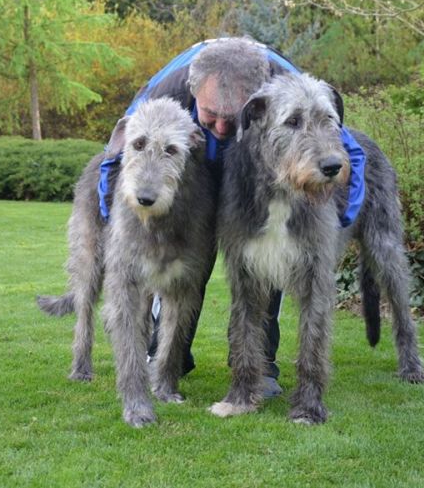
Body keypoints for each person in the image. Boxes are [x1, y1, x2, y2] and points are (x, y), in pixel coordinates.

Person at [96, 37, 365, 397]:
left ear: (255, 100)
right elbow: (115, 154)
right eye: (211, 114)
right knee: (191, 262)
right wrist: (107, 212)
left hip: (250, 167)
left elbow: (349, 149)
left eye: (230, 115)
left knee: (263, 264)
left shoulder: (288, 84)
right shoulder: (167, 88)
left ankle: (262, 367)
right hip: (194, 168)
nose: (221, 127)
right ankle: (169, 358)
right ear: (193, 95)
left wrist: (345, 216)